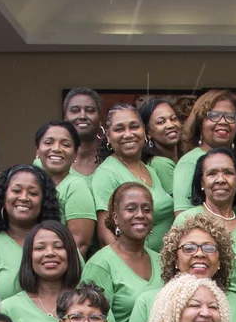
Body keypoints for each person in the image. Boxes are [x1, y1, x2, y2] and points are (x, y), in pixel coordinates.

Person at [116, 210, 235, 322]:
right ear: (175, 260)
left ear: (220, 261)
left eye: (209, 248)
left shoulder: (234, 302)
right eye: (189, 248)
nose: (199, 254)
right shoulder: (148, 301)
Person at [177, 148, 236, 322]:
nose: (220, 179)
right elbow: (173, 275)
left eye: (228, 173)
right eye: (212, 173)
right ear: (202, 182)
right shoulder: (186, 220)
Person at [0, 164, 61, 298]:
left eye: (33, 193)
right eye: (16, 191)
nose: (24, 197)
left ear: (44, 201)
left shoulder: (62, 242)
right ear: (3, 197)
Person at [82, 183, 160, 322]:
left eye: (146, 210)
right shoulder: (101, 264)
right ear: (116, 217)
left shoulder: (162, 261)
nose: (140, 215)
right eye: (131, 209)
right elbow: (97, 321)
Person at [171, 89, 236, 222]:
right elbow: (184, 222)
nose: (223, 121)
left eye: (230, 117)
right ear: (199, 123)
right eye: (214, 115)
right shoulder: (190, 162)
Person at [92, 102, 174, 252]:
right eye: (119, 129)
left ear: (144, 132)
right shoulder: (106, 174)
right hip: (135, 266)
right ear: (108, 137)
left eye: (134, 126)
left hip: (161, 264)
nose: (128, 134)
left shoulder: (149, 170)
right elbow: (106, 236)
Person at [2, 221, 84, 322]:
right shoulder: (9, 308)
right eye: (40, 248)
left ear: (70, 253)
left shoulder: (91, 303)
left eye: (58, 247)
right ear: (29, 257)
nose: (50, 253)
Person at [32, 119, 98, 254]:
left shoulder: (76, 187)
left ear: (75, 154)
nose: (56, 149)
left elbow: (79, 244)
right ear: (37, 151)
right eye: (48, 142)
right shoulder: (30, 183)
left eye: (65, 144)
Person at [62, 86, 105, 177]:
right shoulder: (50, 160)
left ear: (100, 119)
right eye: (75, 110)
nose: (82, 116)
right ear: (65, 118)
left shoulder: (112, 159)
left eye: (90, 110)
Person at [140, 95, 185, 165]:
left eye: (173, 119)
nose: (171, 125)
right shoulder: (160, 164)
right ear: (148, 132)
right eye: (161, 122)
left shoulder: (186, 155)